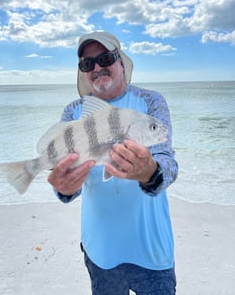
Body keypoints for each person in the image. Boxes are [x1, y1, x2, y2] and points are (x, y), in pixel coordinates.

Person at [48, 31, 178, 295]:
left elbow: (168, 163)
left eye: (105, 58)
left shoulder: (151, 102)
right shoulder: (73, 111)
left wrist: (150, 172)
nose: (97, 68)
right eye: (87, 63)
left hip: (151, 249)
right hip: (100, 250)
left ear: (121, 62)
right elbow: (66, 180)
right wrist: (63, 188)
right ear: (83, 71)